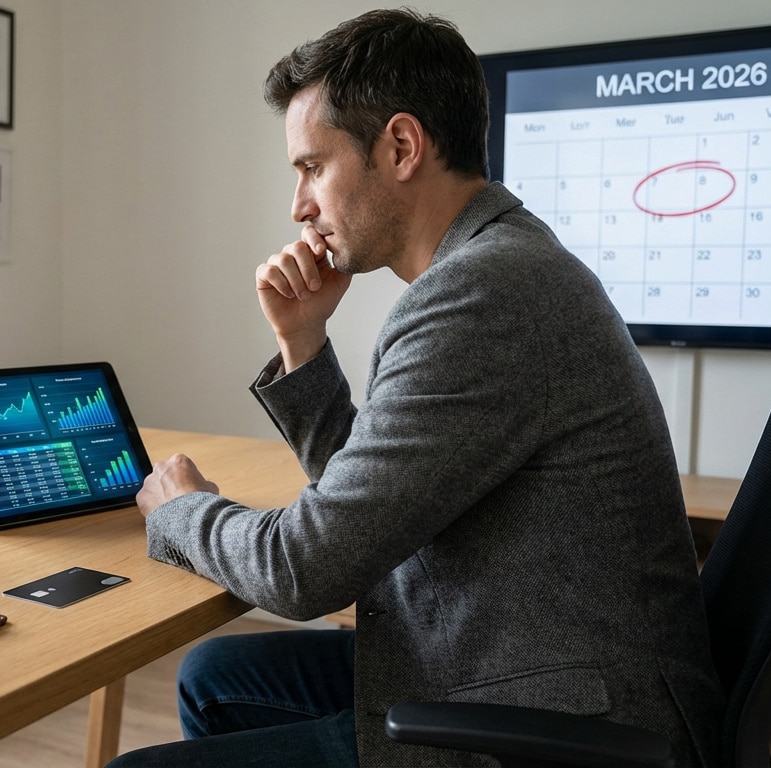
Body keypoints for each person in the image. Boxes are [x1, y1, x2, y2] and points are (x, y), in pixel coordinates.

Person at [110, 8, 723, 768]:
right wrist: (303, 342)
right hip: (519, 664)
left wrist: (182, 512)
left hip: (559, 720)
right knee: (215, 676)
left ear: (400, 146)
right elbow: (371, 513)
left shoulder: (481, 297)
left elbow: (304, 571)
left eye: (310, 167)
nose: (298, 206)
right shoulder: (499, 266)